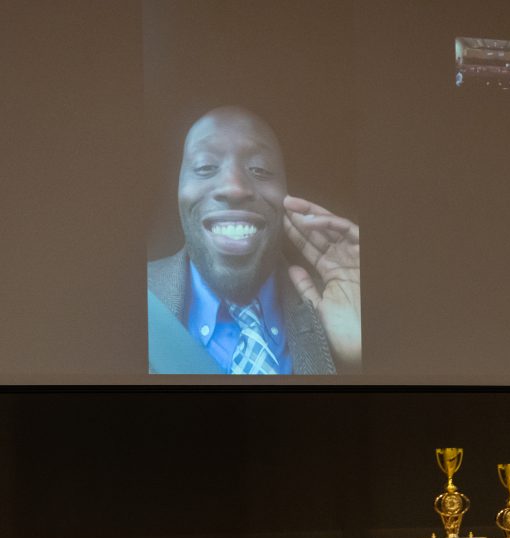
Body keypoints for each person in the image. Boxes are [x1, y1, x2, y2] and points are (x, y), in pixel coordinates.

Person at [148, 106, 361, 375]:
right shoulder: (125, 302)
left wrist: (362, 361)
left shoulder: (338, 310)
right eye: (205, 166)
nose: (234, 188)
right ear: (178, 190)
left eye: (260, 169)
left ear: (287, 193)